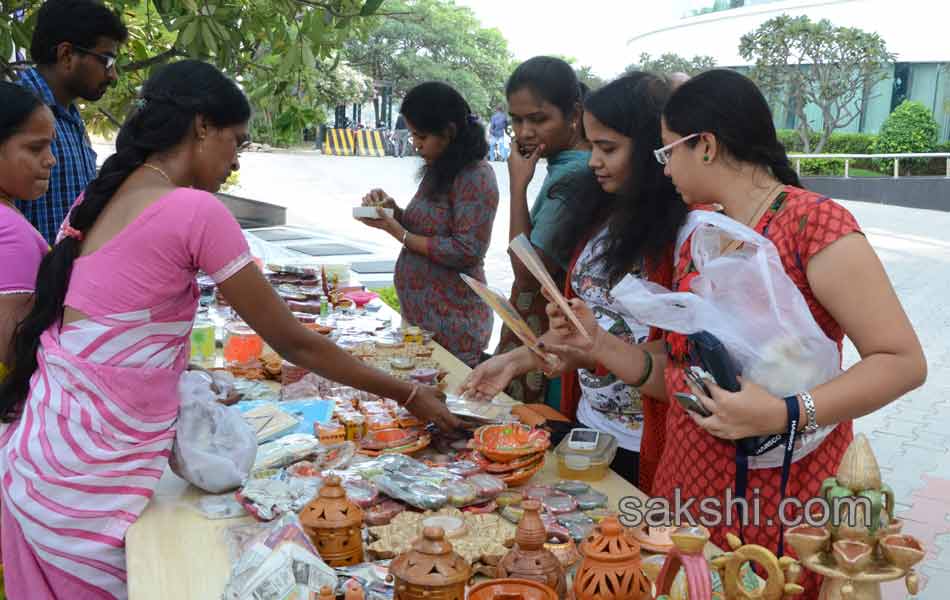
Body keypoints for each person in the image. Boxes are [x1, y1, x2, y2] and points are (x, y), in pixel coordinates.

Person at [0, 60, 460, 600]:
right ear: (201, 127)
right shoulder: (195, 210)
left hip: (45, 460)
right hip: (85, 483)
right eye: (236, 141)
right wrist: (407, 392)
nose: (236, 161)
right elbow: (292, 340)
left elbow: (117, 324)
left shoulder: (101, 198)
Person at [543, 69, 926, 599]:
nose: (664, 167)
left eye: (666, 152)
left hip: (786, 499)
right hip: (691, 492)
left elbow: (902, 360)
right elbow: (682, 372)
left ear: (705, 146)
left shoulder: (813, 224)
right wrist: (601, 346)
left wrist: (786, 412)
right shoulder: (701, 232)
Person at [462, 73, 688, 489]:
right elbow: (585, 331)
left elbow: (676, 359)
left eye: (608, 148)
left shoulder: (684, 234)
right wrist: (516, 360)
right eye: (593, 146)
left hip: (650, 440)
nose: (594, 161)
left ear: (653, 148)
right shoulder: (600, 213)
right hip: (591, 423)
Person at [357, 82, 498, 368]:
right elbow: (426, 226)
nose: (415, 143)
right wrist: (391, 210)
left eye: (421, 135)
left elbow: (466, 249)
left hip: (454, 326)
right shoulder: (439, 168)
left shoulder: (476, 176)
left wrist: (399, 232)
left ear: (448, 133)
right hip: (422, 321)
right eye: (412, 135)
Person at [494, 56, 592, 405]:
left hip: (557, 338)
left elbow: (526, 270)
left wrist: (518, 185)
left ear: (575, 115)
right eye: (516, 120)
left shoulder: (574, 175)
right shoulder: (564, 166)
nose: (524, 133)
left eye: (538, 119)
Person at [14, 0, 128, 244]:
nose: (113, 75)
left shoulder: (71, 119)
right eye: (106, 61)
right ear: (66, 55)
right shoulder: (13, 113)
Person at [0, 83, 56, 383]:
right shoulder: (9, 230)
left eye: (50, 146)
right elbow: (10, 355)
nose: (50, 159)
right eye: (36, 147)